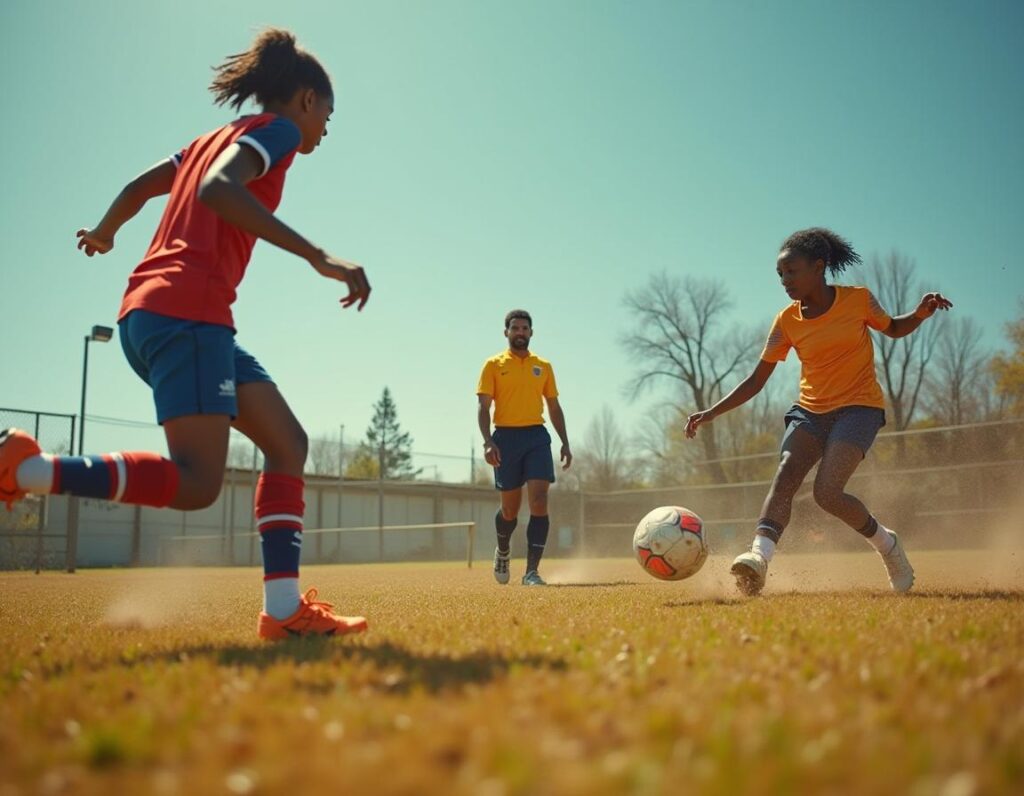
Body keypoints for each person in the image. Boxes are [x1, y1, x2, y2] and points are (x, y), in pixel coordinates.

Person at [0, 28, 372, 639]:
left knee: (287, 443)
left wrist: (105, 231)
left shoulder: (209, 140)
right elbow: (218, 190)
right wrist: (320, 256)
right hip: (188, 313)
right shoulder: (274, 132)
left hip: (151, 314)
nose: (326, 128)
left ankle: (284, 615)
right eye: (328, 113)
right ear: (306, 99)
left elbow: (140, 187)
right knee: (198, 482)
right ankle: (30, 470)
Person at [685, 228, 951, 596]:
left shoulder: (857, 300)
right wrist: (711, 412)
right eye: (780, 275)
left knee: (828, 493)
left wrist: (920, 314)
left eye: (792, 271)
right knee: (786, 472)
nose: (785, 281)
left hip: (859, 409)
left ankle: (888, 546)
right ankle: (758, 559)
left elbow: (893, 328)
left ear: (819, 267)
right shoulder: (786, 322)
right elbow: (756, 379)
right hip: (811, 411)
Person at [477, 310, 572, 586]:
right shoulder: (493, 365)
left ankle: (531, 572)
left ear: (531, 333)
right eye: (515, 328)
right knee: (510, 510)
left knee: (540, 501)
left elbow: (553, 406)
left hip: (536, 437)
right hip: (505, 439)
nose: (520, 332)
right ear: (506, 332)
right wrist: (488, 441)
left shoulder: (543, 366)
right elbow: (483, 407)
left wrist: (565, 441)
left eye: (525, 328)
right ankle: (503, 550)